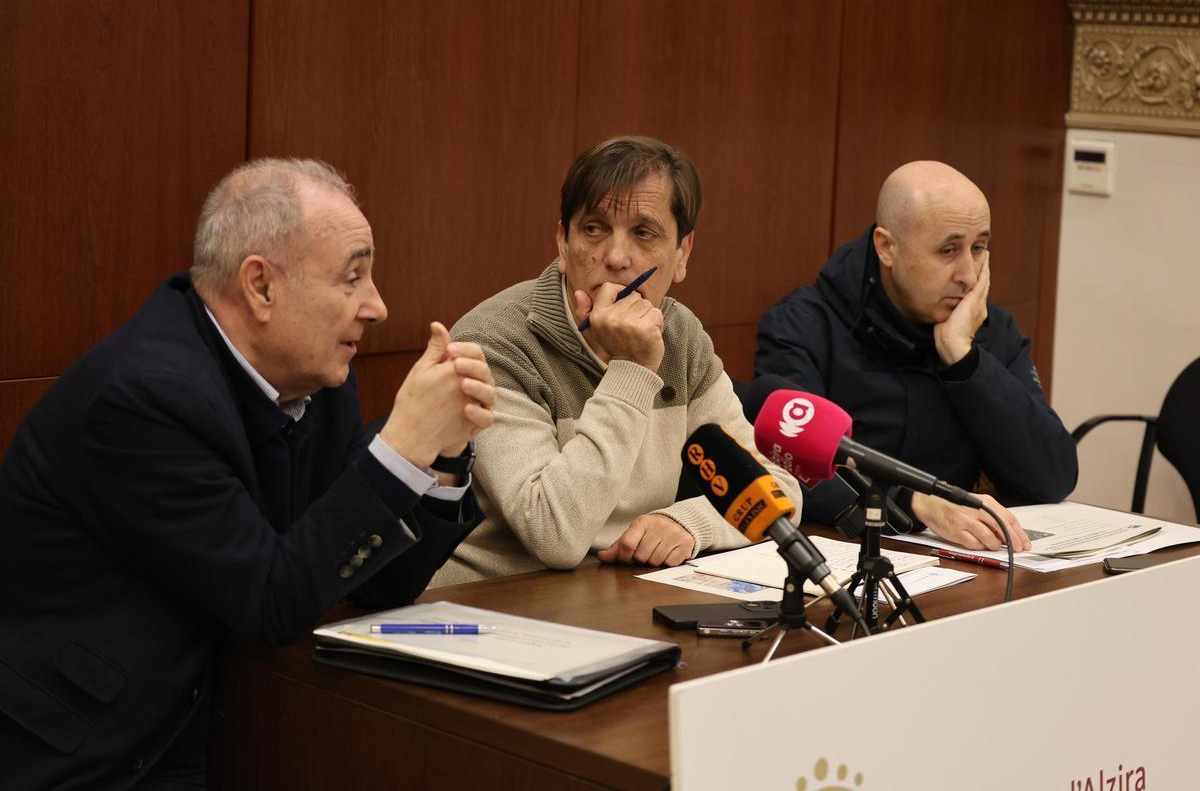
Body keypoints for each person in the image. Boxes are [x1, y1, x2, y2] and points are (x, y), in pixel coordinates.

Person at [0, 158, 495, 789]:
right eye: (353, 278)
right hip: (89, 754)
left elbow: (371, 578)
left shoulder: (315, 377)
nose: (377, 306)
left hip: (238, 719)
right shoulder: (143, 397)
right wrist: (400, 449)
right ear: (260, 286)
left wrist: (441, 455)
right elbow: (271, 600)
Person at [431, 136, 803, 587]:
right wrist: (633, 368)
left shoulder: (680, 335)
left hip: (620, 593)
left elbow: (780, 493)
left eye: (644, 233)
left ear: (682, 254)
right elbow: (553, 534)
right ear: (562, 243)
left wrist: (690, 524)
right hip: (496, 600)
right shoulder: (496, 341)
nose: (615, 257)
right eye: (594, 229)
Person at [755, 161, 1077, 552]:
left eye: (978, 248)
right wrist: (915, 503)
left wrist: (964, 359)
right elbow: (791, 465)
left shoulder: (987, 328)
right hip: (842, 552)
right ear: (887, 248)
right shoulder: (802, 325)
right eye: (948, 250)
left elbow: (1053, 477)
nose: (969, 275)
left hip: (960, 556)